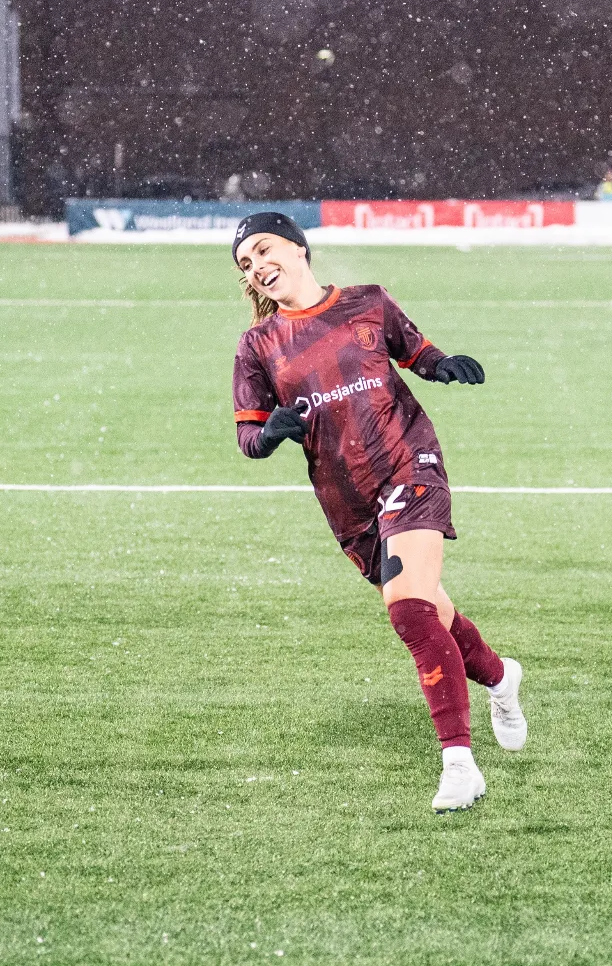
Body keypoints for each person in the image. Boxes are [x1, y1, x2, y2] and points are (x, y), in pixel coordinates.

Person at [229, 212, 525, 813]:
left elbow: (415, 351)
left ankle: (459, 764)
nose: (258, 267)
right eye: (245, 264)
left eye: (264, 250)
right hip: (349, 500)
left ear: (299, 247)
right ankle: (499, 677)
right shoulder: (258, 345)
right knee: (431, 610)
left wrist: (443, 365)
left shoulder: (367, 302)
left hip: (408, 464)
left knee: (409, 609)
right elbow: (249, 439)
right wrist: (275, 433)